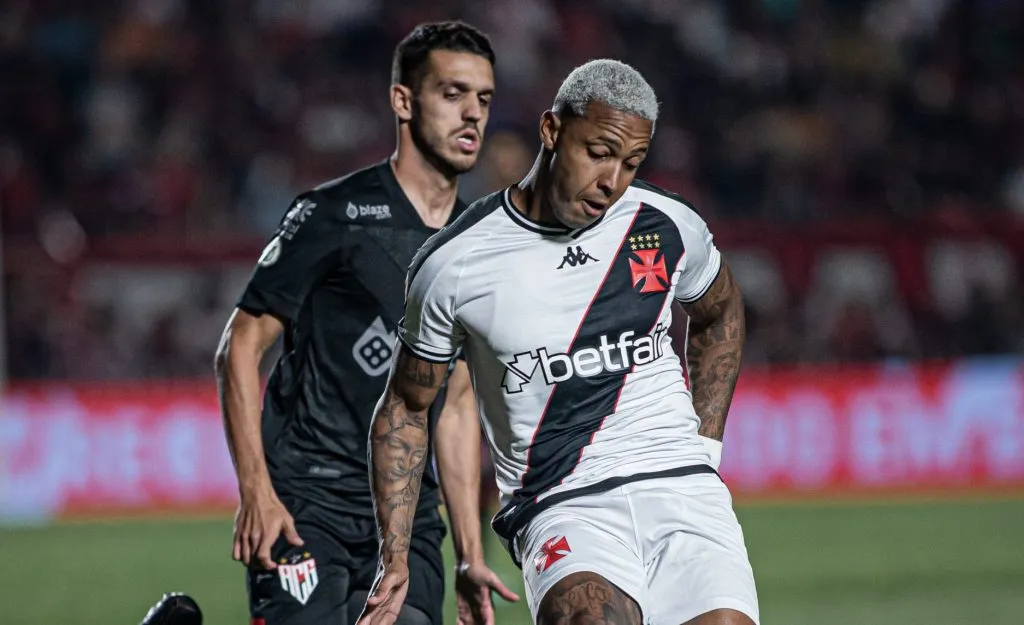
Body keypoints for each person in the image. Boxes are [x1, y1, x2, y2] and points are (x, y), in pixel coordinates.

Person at [359, 59, 759, 625]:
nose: (612, 182)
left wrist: (706, 449)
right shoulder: (456, 264)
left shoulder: (667, 225)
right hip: (562, 502)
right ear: (551, 131)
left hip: (684, 489)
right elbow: (405, 404)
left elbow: (720, 312)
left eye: (631, 163)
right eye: (598, 152)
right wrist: (394, 554)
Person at [215, 21, 516, 625]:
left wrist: (468, 551)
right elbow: (240, 347)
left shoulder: (478, 243)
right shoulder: (334, 214)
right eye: (452, 94)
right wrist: (257, 492)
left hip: (408, 519)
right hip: (307, 504)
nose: (472, 115)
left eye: (482, 99)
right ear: (403, 101)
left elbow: (456, 402)